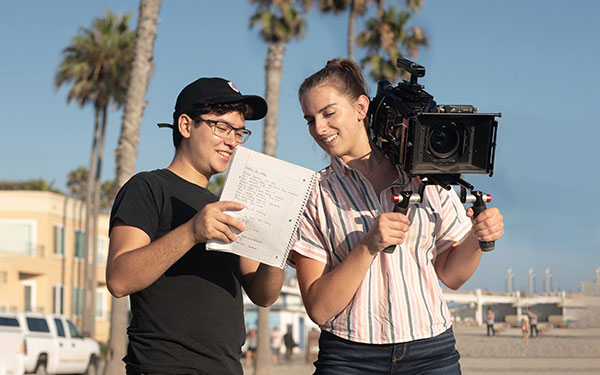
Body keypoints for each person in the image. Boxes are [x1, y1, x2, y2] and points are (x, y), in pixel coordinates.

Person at [291, 59, 505, 375]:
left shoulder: (428, 177)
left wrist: (478, 236)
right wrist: (367, 247)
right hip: (349, 359)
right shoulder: (314, 193)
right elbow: (319, 308)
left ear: (361, 107)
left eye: (328, 113)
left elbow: (451, 275)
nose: (319, 128)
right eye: (310, 119)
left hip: (432, 353)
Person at [106, 77, 285, 375]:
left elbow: (263, 295)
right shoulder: (148, 188)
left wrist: (277, 248)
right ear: (186, 126)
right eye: (222, 128)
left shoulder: (229, 206)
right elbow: (118, 279)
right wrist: (191, 232)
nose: (233, 141)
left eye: (239, 132)